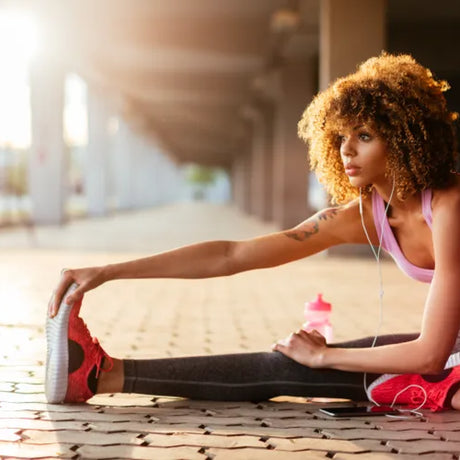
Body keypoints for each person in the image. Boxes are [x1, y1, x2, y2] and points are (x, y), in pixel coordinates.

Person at [46, 53, 460, 412]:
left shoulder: (449, 206)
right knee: (288, 364)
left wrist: (324, 356)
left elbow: (429, 354)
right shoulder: (365, 216)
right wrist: (109, 271)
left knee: (328, 364)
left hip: (444, 353)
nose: (346, 150)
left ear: (407, 140)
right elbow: (232, 254)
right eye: (341, 137)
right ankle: (98, 374)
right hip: (450, 352)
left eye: (364, 136)